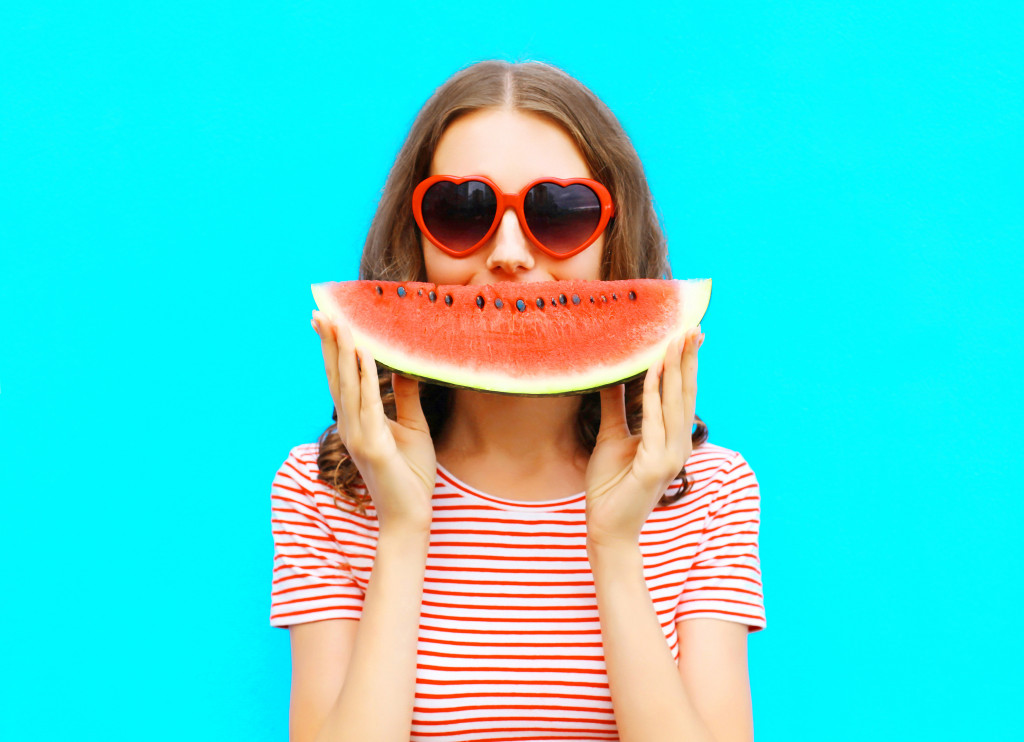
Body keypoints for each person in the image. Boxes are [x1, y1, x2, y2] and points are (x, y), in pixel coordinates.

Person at [270, 60, 766, 742]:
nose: (508, 254)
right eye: (461, 211)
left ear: (612, 241)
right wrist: (404, 526)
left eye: (559, 213)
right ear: (414, 238)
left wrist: (616, 547)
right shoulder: (326, 488)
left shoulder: (710, 491)